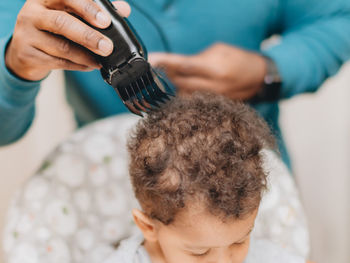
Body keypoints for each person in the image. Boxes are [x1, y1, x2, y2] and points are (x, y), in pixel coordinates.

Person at [1, 0, 350, 168]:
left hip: (245, 172)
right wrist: (15, 64)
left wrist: (269, 72)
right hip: (103, 190)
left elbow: (337, 20)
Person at [103, 92, 313, 263]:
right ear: (149, 227)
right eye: (200, 253)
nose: (225, 261)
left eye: (239, 242)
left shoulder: (261, 256)